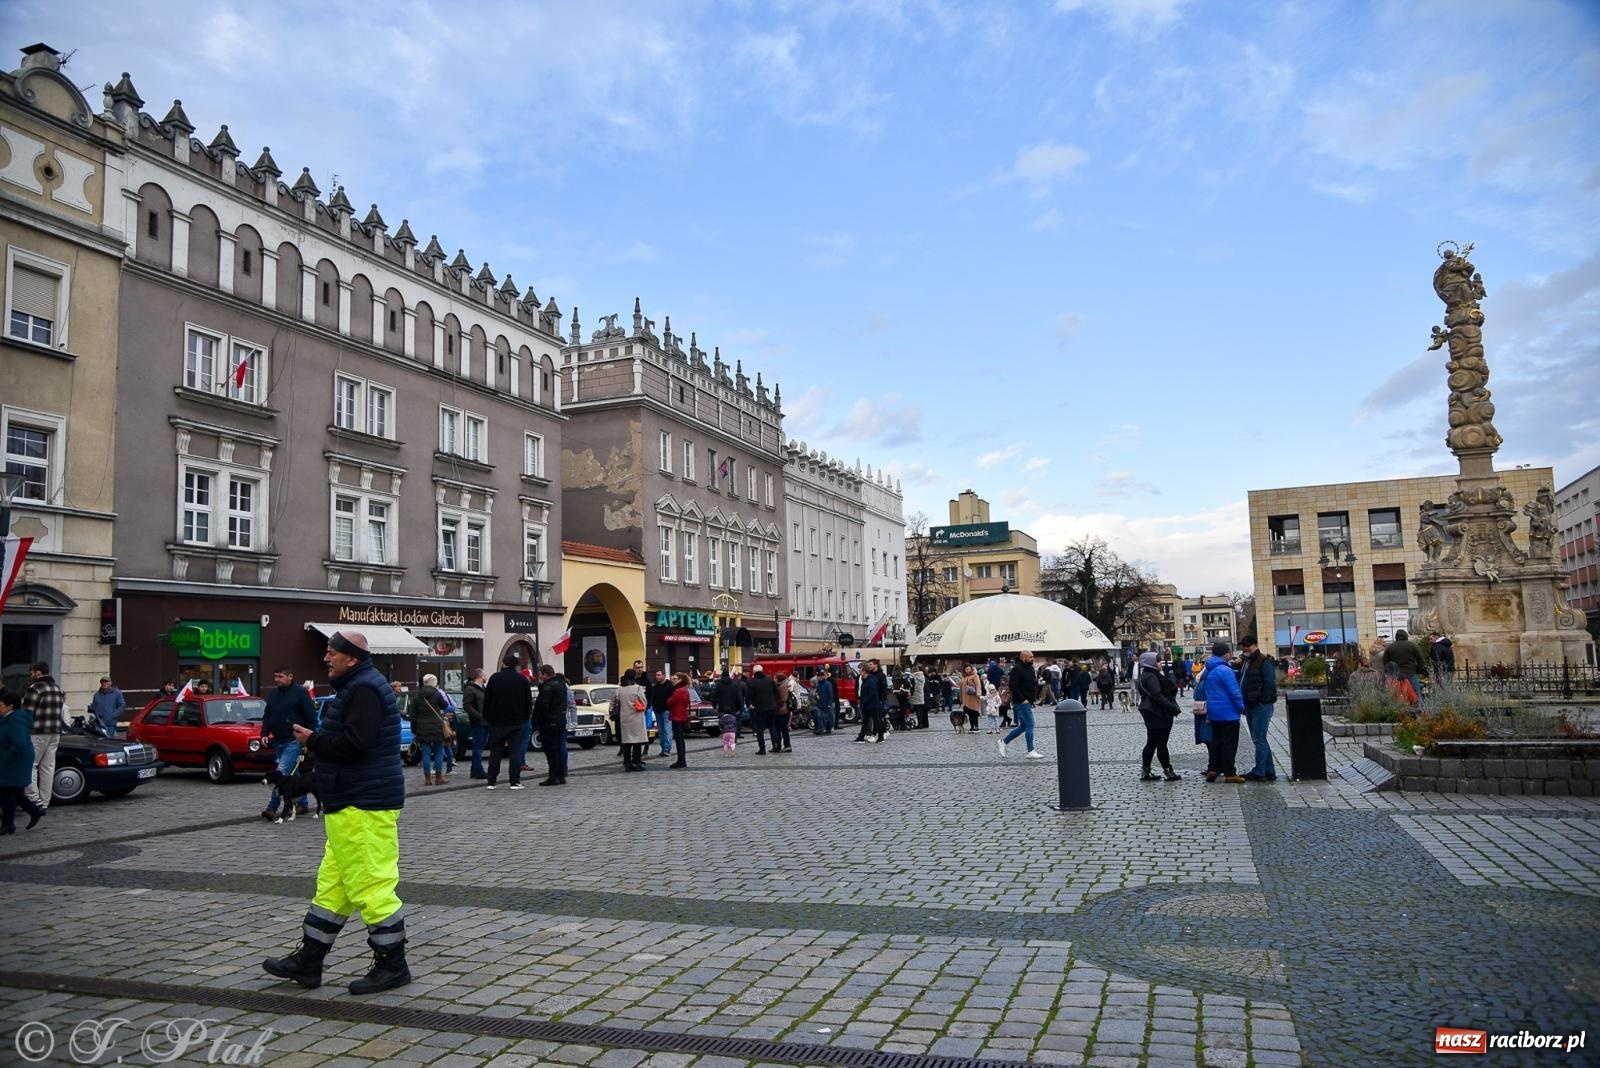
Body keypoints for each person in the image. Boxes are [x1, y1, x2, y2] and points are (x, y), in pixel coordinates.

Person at [262, 630, 410, 994]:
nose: (326, 657)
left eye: (332, 652)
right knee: (333, 887)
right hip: (351, 803)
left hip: (363, 803)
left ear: (352, 658)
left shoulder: (363, 689)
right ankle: (310, 960)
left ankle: (393, 965)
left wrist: (312, 740)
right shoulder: (359, 686)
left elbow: (356, 744)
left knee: (372, 885)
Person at [261, 665, 317, 819]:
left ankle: (272, 808)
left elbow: (310, 717)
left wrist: (309, 740)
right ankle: (302, 803)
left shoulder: (301, 693)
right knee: (294, 772)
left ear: (290, 677)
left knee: (281, 772)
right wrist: (264, 732)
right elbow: (267, 714)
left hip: (294, 740)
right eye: (275, 676)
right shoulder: (274, 694)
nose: (276, 679)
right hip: (278, 739)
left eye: (280, 676)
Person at [0, 687, 46, 833]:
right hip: (14, 758)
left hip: (16, 760)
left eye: (0, 705)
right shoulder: (8, 717)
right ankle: (33, 811)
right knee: (14, 790)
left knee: (7, 790)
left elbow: (19, 744)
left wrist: (7, 758)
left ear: (10, 706)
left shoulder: (15, 720)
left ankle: (8, 824)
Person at [483, 654, 532, 790]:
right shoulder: (522, 679)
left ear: (504, 664)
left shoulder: (495, 678)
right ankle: (514, 781)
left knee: (495, 752)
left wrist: (487, 717)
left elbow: (487, 700)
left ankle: (491, 781)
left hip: (496, 721)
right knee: (514, 752)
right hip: (516, 721)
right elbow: (528, 702)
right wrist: (524, 718)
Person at [21, 661, 63, 812]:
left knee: (30, 765)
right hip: (55, 732)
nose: (30, 675)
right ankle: (45, 802)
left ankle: (34, 801)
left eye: (32, 672)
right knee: (48, 768)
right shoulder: (57, 688)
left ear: (38, 672)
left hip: (37, 732)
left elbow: (27, 713)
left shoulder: (35, 688)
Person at [1201, 641, 1245, 783]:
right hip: (1228, 713)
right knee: (1229, 744)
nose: (1230, 655)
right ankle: (1230, 773)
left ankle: (1213, 769)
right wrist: (1241, 707)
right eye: (1229, 652)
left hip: (1214, 712)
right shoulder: (1225, 671)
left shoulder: (1208, 669)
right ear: (1224, 654)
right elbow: (1234, 693)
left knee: (1216, 742)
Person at [1134, 651, 1182, 782]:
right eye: (1157, 661)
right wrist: (1171, 707)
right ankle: (1168, 771)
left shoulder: (1148, 674)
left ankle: (1146, 771)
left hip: (1152, 712)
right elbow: (1157, 695)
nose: (1160, 663)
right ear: (1150, 663)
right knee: (1161, 743)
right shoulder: (1151, 676)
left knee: (1152, 742)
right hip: (1157, 713)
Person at [1237, 636, 1278, 782]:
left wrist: (1262, 701)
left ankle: (1259, 771)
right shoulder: (1247, 661)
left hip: (1260, 706)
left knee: (1259, 739)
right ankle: (1269, 771)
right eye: (1243, 646)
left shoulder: (1263, 661)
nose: (1245, 648)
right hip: (1250, 705)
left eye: (1248, 645)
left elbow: (1269, 683)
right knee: (1260, 739)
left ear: (1255, 645)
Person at [998, 650, 1043, 759]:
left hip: (1028, 701)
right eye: (1030, 657)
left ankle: (1003, 741)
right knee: (1030, 724)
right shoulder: (1017, 669)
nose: (1032, 658)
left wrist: (1033, 699)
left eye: (1032, 656)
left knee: (1023, 726)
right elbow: (1013, 686)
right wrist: (1023, 699)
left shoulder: (1031, 669)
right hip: (1021, 702)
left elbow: (1032, 684)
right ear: (1023, 658)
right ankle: (1030, 751)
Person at [408, 673, 450, 786]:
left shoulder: (417, 696)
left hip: (422, 727)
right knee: (439, 751)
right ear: (434, 683)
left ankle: (427, 779)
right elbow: (445, 705)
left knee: (426, 753)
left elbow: (413, 715)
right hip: (436, 726)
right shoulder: (437, 694)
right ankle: (438, 777)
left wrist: (414, 730)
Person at [533, 664, 570, 785]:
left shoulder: (548, 687)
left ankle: (553, 777)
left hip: (549, 723)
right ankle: (561, 775)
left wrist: (538, 720)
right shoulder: (561, 684)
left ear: (545, 674)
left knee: (551, 751)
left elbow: (543, 706)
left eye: (541, 675)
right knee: (559, 749)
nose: (540, 678)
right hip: (560, 720)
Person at [613, 669, 650, 772]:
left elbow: (615, 702)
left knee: (627, 742)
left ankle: (627, 763)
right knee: (637, 741)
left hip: (625, 718)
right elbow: (644, 702)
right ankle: (637, 763)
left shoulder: (620, 690)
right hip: (636, 717)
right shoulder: (638, 688)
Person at [1384, 629, 1428, 704]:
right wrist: (1417, 670)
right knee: (1416, 694)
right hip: (1411, 673)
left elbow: (1386, 662)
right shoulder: (1413, 645)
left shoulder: (1390, 647)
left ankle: (1401, 710)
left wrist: (1391, 673)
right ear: (1406, 636)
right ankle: (1420, 709)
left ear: (1396, 637)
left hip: (1396, 676)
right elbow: (1421, 660)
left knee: (1398, 696)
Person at [746, 664, 779, 754]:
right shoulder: (770, 680)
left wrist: (750, 704)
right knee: (772, 726)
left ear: (754, 672)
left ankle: (762, 748)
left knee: (759, 729)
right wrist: (774, 703)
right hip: (771, 707)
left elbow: (749, 696)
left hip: (759, 708)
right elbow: (776, 693)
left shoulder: (752, 682)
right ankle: (775, 744)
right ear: (762, 670)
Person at [855, 659, 889, 743]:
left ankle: (880, 736)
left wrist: (864, 701)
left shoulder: (870, 680)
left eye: (861, 670)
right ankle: (861, 737)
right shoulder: (866, 680)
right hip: (867, 704)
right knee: (866, 721)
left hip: (873, 704)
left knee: (877, 721)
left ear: (864, 671)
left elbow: (872, 693)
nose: (859, 672)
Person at [462, 668, 488, 779]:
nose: (486, 677)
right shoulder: (470, 689)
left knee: (481, 745)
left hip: (486, 721)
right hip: (478, 722)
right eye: (485, 675)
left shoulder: (483, 689)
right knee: (478, 746)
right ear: (480, 676)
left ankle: (474, 770)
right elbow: (467, 706)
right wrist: (479, 715)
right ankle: (478, 770)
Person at [665, 672, 691, 768]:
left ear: (680, 680)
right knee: (680, 739)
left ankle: (681, 760)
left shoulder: (679, 691)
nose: (673, 680)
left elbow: (670, 702)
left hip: (677, 717)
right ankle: (681, 760)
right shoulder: (684, 690)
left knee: (679, 740)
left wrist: (668, 700)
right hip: (682, 716)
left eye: (675, 679)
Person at [650, 668, 675, 759]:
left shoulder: (669, 685)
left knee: (667, 730)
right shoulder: (656, 686)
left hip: (666, 711)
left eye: (659, 675)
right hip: (657, 711)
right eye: (656, 675)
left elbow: (673, 698)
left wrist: (669, 706)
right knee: (661, 731)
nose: (657, 677)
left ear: (664, 675)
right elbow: (653, 697)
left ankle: (667, 749)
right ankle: (663, 748)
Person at [771, 672, 797, 752]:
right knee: (779, 729)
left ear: (779, 679)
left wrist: (775, 706)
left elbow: (782, 700)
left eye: (775, 678)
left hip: (782, 711)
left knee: (783, 729)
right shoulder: (782, 685)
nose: (774, 679)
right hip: (781, 710)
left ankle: (787, 746)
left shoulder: (782, 687)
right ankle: (778, 746)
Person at [958, 665, 983, 733]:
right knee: (969, 713)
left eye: (969, 669)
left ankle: (976, 727)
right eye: (966, 669)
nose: (968, 670)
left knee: (974, 713)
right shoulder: (963, 677)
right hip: (965, 699)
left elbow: (978, 685)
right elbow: (961, 688)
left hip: (973, 698)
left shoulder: (975, 676)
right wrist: (960, 698)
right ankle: (972, 727)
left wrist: (978, 694)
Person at [813, 668, 838, 735]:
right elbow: (817, 692)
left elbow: (830, 694)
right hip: (820, 703)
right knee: (820, 717)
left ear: (822, 677)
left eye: (819, 677)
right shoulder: (818, 684)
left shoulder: (827, 684)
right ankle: (821, 729)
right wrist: (816, 696)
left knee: (829, 717)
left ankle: (828, 729)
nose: (818, 678)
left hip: (827, 704)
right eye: (817, 677)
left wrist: (829, 703)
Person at [910, 664, 928, 729]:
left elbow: (912, 687)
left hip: (915, 696)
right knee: (920, 711)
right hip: (921, 696)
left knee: (918, 712)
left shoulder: (913, 677)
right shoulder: (922, 676)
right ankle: (921, 723)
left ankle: (920, 724)